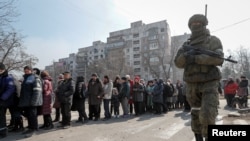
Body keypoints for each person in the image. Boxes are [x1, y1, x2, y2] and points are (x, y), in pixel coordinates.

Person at [174, 14, 224, 141]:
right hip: (192, 84)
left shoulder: (213, 40)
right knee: (195, 114)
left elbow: (219, 59)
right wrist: (186, 56)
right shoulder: (186, 45)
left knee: (207, 115)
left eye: (198, 24)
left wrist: (196, 58)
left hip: (209, 82)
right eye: (193, 24)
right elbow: (177, 63)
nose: (195, 26)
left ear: (204, 24)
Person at [19, 66, 43, 138]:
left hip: (32, 101)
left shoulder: (35, 78)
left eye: (27, 70)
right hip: (26, 101)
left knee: (32, 115)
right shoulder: (25, 78)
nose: (26, 72)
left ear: (31, 70)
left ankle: (34, 128)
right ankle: (30, 127)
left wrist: (34, 101)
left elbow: (37, 91)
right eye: (25, 71)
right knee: (28, 115)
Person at [0, 63, 15, 139]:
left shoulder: (8, 77)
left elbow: (10, 89)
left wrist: (2, 98)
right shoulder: (1, 77)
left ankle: (3, 132)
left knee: (2, 117)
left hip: (6, 100)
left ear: (3, 69)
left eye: (0, 69)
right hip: (2, 99)